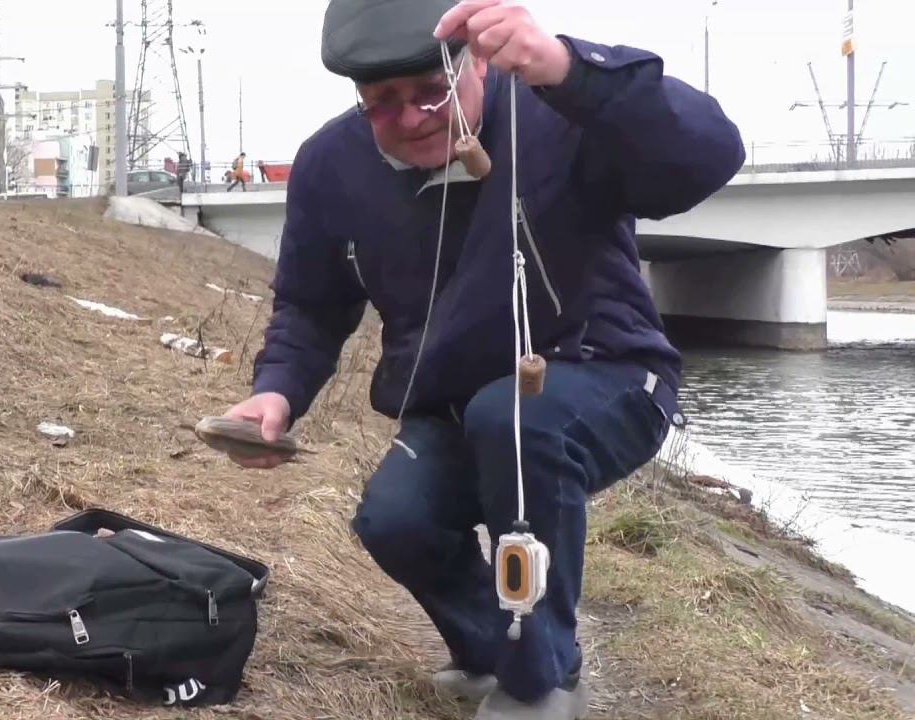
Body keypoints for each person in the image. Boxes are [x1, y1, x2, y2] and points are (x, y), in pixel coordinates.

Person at [216, 0, 744, 718]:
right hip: (454, 404)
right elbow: (310, 306)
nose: (412, 118)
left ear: (479, 66)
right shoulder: (329, 167)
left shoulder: (558, 115)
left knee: (513, 421)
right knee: (395, 521)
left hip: (612, 376)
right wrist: (276, 392)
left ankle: (540, 684)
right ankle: (495, 652)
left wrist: (571, 69)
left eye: (432, 91)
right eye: (382, 103)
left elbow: (708, 155)